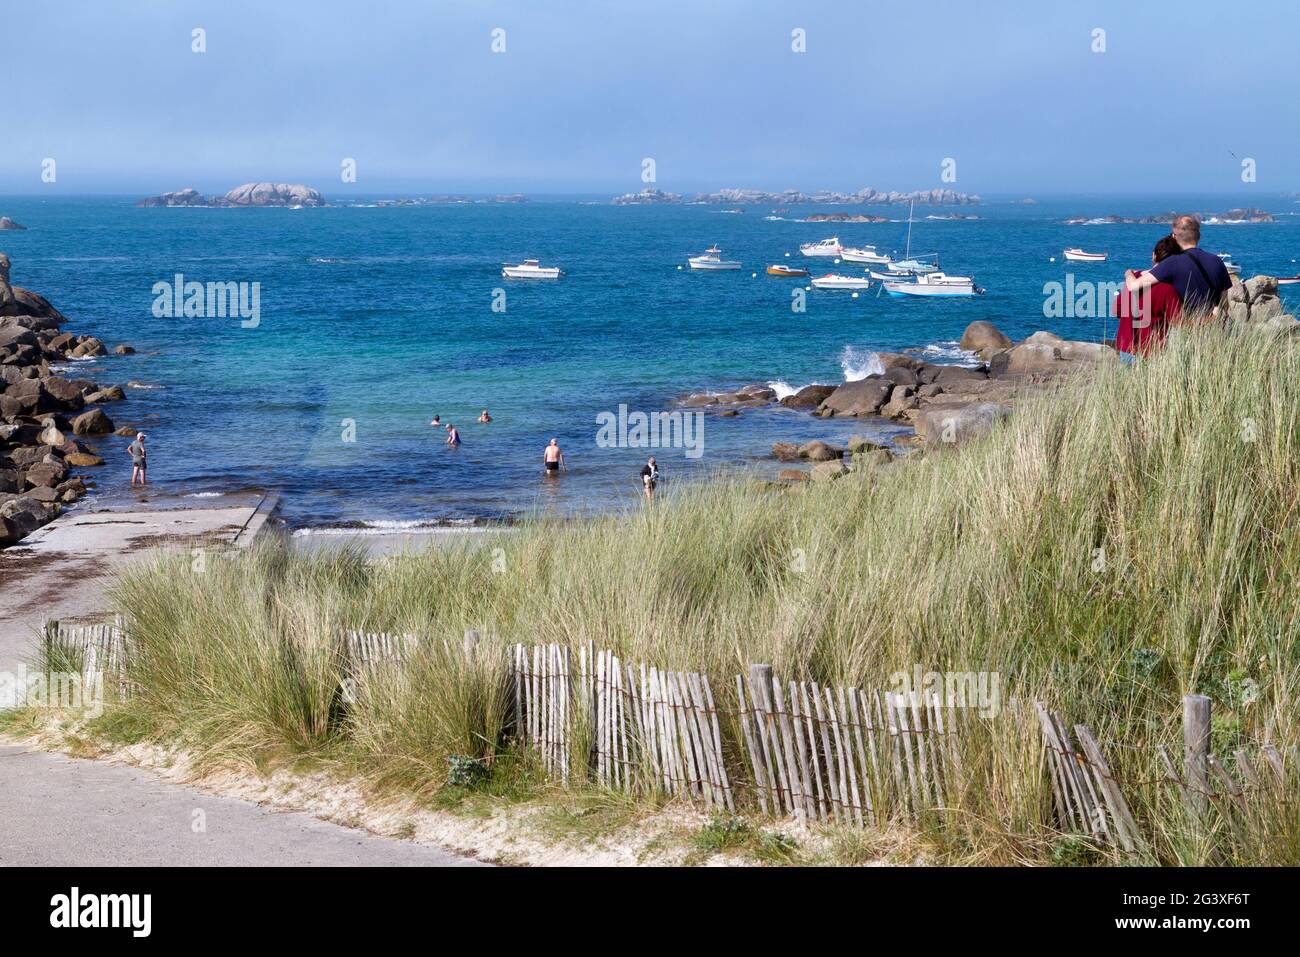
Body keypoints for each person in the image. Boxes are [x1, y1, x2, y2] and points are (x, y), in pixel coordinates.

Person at [1124, 215, 1232, 315]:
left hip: (1187, 328)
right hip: (1214, 327)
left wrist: (1129, 273)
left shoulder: (1172, 263)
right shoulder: (1217, 261)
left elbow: (1133, 286)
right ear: (1198, 236)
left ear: (1174, 237)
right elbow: (1224, 302)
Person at [1114, 235, 1183, 355]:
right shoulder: (1168, 289)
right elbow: (1180, 322)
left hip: (1126, 348)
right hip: (1151, 351)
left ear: (1154, 255)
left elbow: (1117, 310)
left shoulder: (1134, 278)